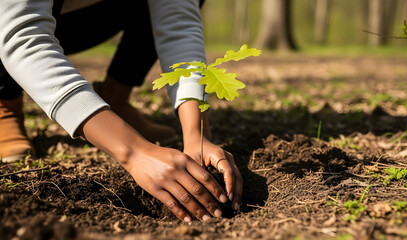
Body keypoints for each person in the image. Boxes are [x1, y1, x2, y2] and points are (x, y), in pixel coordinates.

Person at [0, 0, 242, 222]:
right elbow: (20, 34)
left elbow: (178, 22)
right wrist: (135, 151)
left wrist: (196, 135)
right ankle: (5, 105)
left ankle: (115, 99)